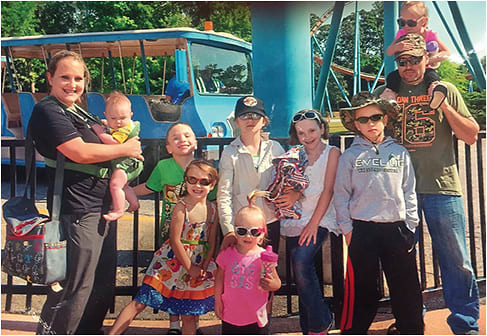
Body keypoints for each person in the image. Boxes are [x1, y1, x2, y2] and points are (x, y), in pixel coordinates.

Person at [29, 50, 143, 335]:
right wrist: (126, 149)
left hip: (100, 206)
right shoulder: (49, 110)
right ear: (50, 79)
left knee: (100, 285)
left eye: (78, 78)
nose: (72, 84)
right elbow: (78, 151)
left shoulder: (78, 111)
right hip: (79, 208)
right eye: (65, 77)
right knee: (75, 286)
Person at [375, 33, 480, 335]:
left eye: (414, 59)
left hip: (441, 187)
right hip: (399, 191)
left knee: (456, 259)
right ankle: (411, 318)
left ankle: (465, 324)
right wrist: (382, 109)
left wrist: (445, 108)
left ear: (426, 58)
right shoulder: (387, 93)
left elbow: (471, 134)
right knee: (403, 260)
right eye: (402, 61)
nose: (408, 66)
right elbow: (371, 138)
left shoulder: (443, 89)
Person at [335, 92, 424, 334]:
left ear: (385, 119)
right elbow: (341, 195)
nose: (370, 124)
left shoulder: (400, 153)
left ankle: (411, 330)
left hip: (396, 228)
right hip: (362, 229)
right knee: (363, 288)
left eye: (375, 117)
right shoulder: (350, 156)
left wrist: (410, 225)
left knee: (405, 287)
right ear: (355, 124)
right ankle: (354, 331)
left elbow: (409, 191)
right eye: (363, 119)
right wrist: (347, 230)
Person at [109, 159, 218, 335]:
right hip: (172, 261)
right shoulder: (181, 208)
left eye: (204, 182)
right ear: (186, 181)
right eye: (192, 180)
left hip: (197, 264)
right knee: (141, 300)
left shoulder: (213, 209)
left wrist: (203, 267)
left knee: (189, 313)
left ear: (212, 185)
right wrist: (190, 268)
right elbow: (175, 240)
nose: (197, 185)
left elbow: (211, 242)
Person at [132, 122, 213, 334]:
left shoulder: (204, 170)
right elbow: (149, 187)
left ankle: (192, 324)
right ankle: (174, 324)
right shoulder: (163, 167)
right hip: (171, 234)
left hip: (197, 236)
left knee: (192, 279)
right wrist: (124, 190)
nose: (182, 140)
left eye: (187, 135)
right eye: (176, 137)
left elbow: (213, 200)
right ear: (168, 147)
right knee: (172, 278)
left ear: (195, 143)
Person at [279, 109, 340, 334]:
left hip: (321, 217)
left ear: (322, 129)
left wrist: (314, 223)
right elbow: (290, 186)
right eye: (301, 132)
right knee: (302, 270)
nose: (307, 136)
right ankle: (310, 328)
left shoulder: (332, 153)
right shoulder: (295, 154)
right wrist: (292, 195)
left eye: (312, 130)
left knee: (300, 259)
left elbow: (328, 190)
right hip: (296, 216)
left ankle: (323, 318)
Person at [218, 95, 285, 253]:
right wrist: (228, 229)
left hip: (269, 221)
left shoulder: (275, 148)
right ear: (236, 121)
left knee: (267, 269)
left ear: (264, 121)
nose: (250, 120)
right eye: (245, 115)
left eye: (256, 115)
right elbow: (224, 194)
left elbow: (285, 182)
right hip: (242, 226)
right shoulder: (230, 153)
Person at [215, 191, 282, 335]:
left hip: (255, 316)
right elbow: (219, 278)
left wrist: (272, 284)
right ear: (234, 231)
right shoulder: (226, 255)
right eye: (241, 230)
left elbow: (277, 283)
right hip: (230, 315)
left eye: (254, 232)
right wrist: (217, 300)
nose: (248, 235)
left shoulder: (264, 258)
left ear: (262, 234)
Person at [383, 1, 450, 109]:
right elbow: (389, 52)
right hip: (406, 72)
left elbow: (447, 53)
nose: (406, 26)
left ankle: (435, 94)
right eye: (401, 22)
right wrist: (397, 47)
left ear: (423, 21)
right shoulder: (401, 34)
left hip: (426, 68)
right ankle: (389, 98)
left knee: (432, 76)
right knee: (392, 77)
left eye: (411, 23)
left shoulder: (430, 35)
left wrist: (428, 60)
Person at [91, 91, 143, 221]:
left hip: (126, 163)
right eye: (113, 118)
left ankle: (118, 210)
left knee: (115, 185)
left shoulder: (125, 128)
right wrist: (107, 124)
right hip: (128, 162)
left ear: (130, 115)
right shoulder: (118, 124)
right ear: (106, 116)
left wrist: (100, 132)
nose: (118, 122)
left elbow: (115, 142)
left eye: (123, 118)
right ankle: (134, 202)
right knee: (124, 186)